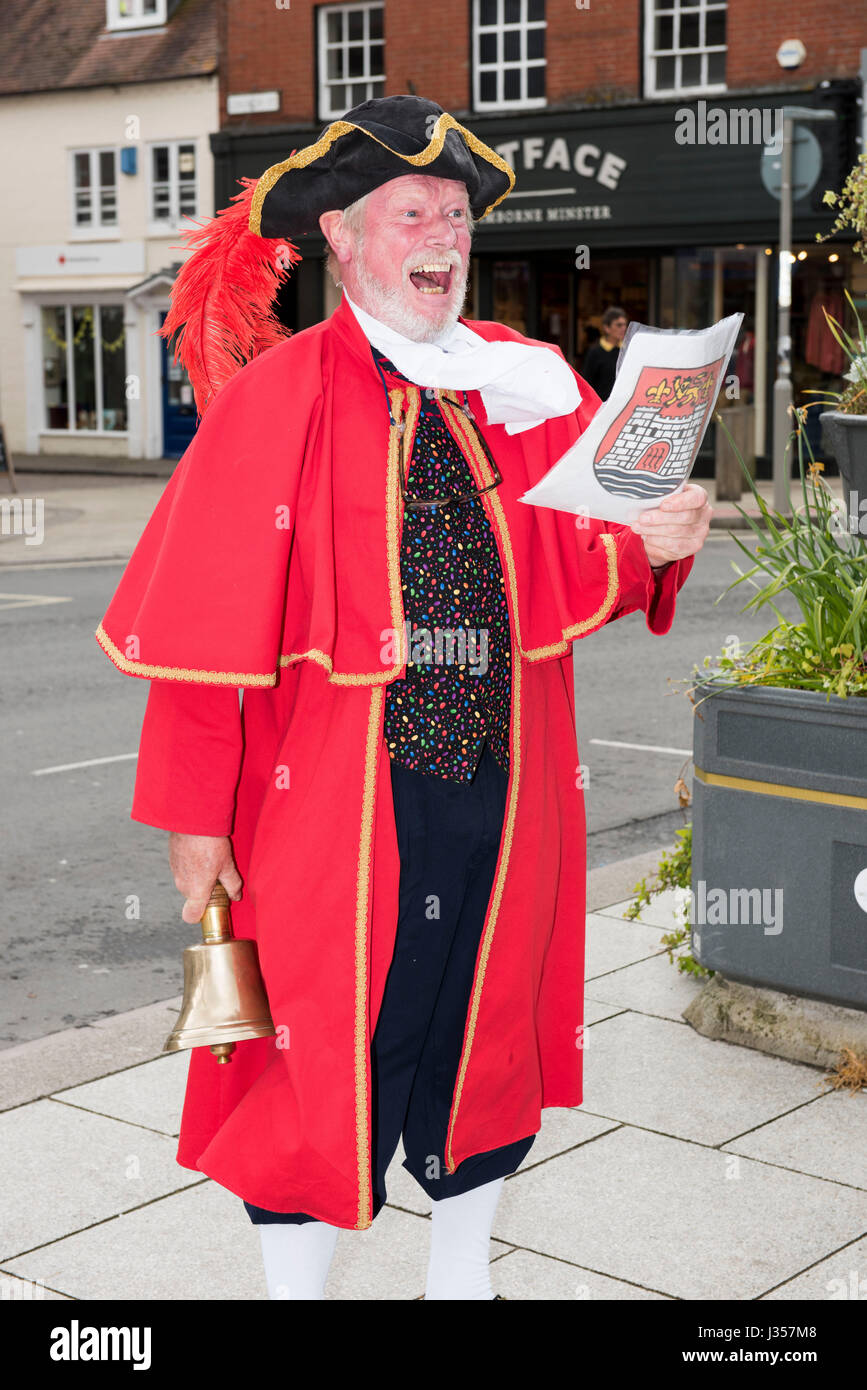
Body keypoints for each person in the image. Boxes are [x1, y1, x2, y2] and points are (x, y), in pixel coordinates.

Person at [95, 95, 711, 1300]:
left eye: (457, 214)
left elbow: (592, 563)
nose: (444, 234)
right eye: (412, 211)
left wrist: (661, 534)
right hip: (332, 799)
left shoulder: (522, 383)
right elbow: (200, 637)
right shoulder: (276, 400)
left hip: (502, 776)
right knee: (314, 1043)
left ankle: (460, 1274)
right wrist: (194, 815)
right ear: (341, 236)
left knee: (484, 1024)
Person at [581, 305, 628, 400]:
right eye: (619, 325)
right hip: (601, 408)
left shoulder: (627, 350)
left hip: (622, 406)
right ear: (607, 328)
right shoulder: (595, 352)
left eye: (625, 324)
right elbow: (586, 384)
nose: (624, 328)